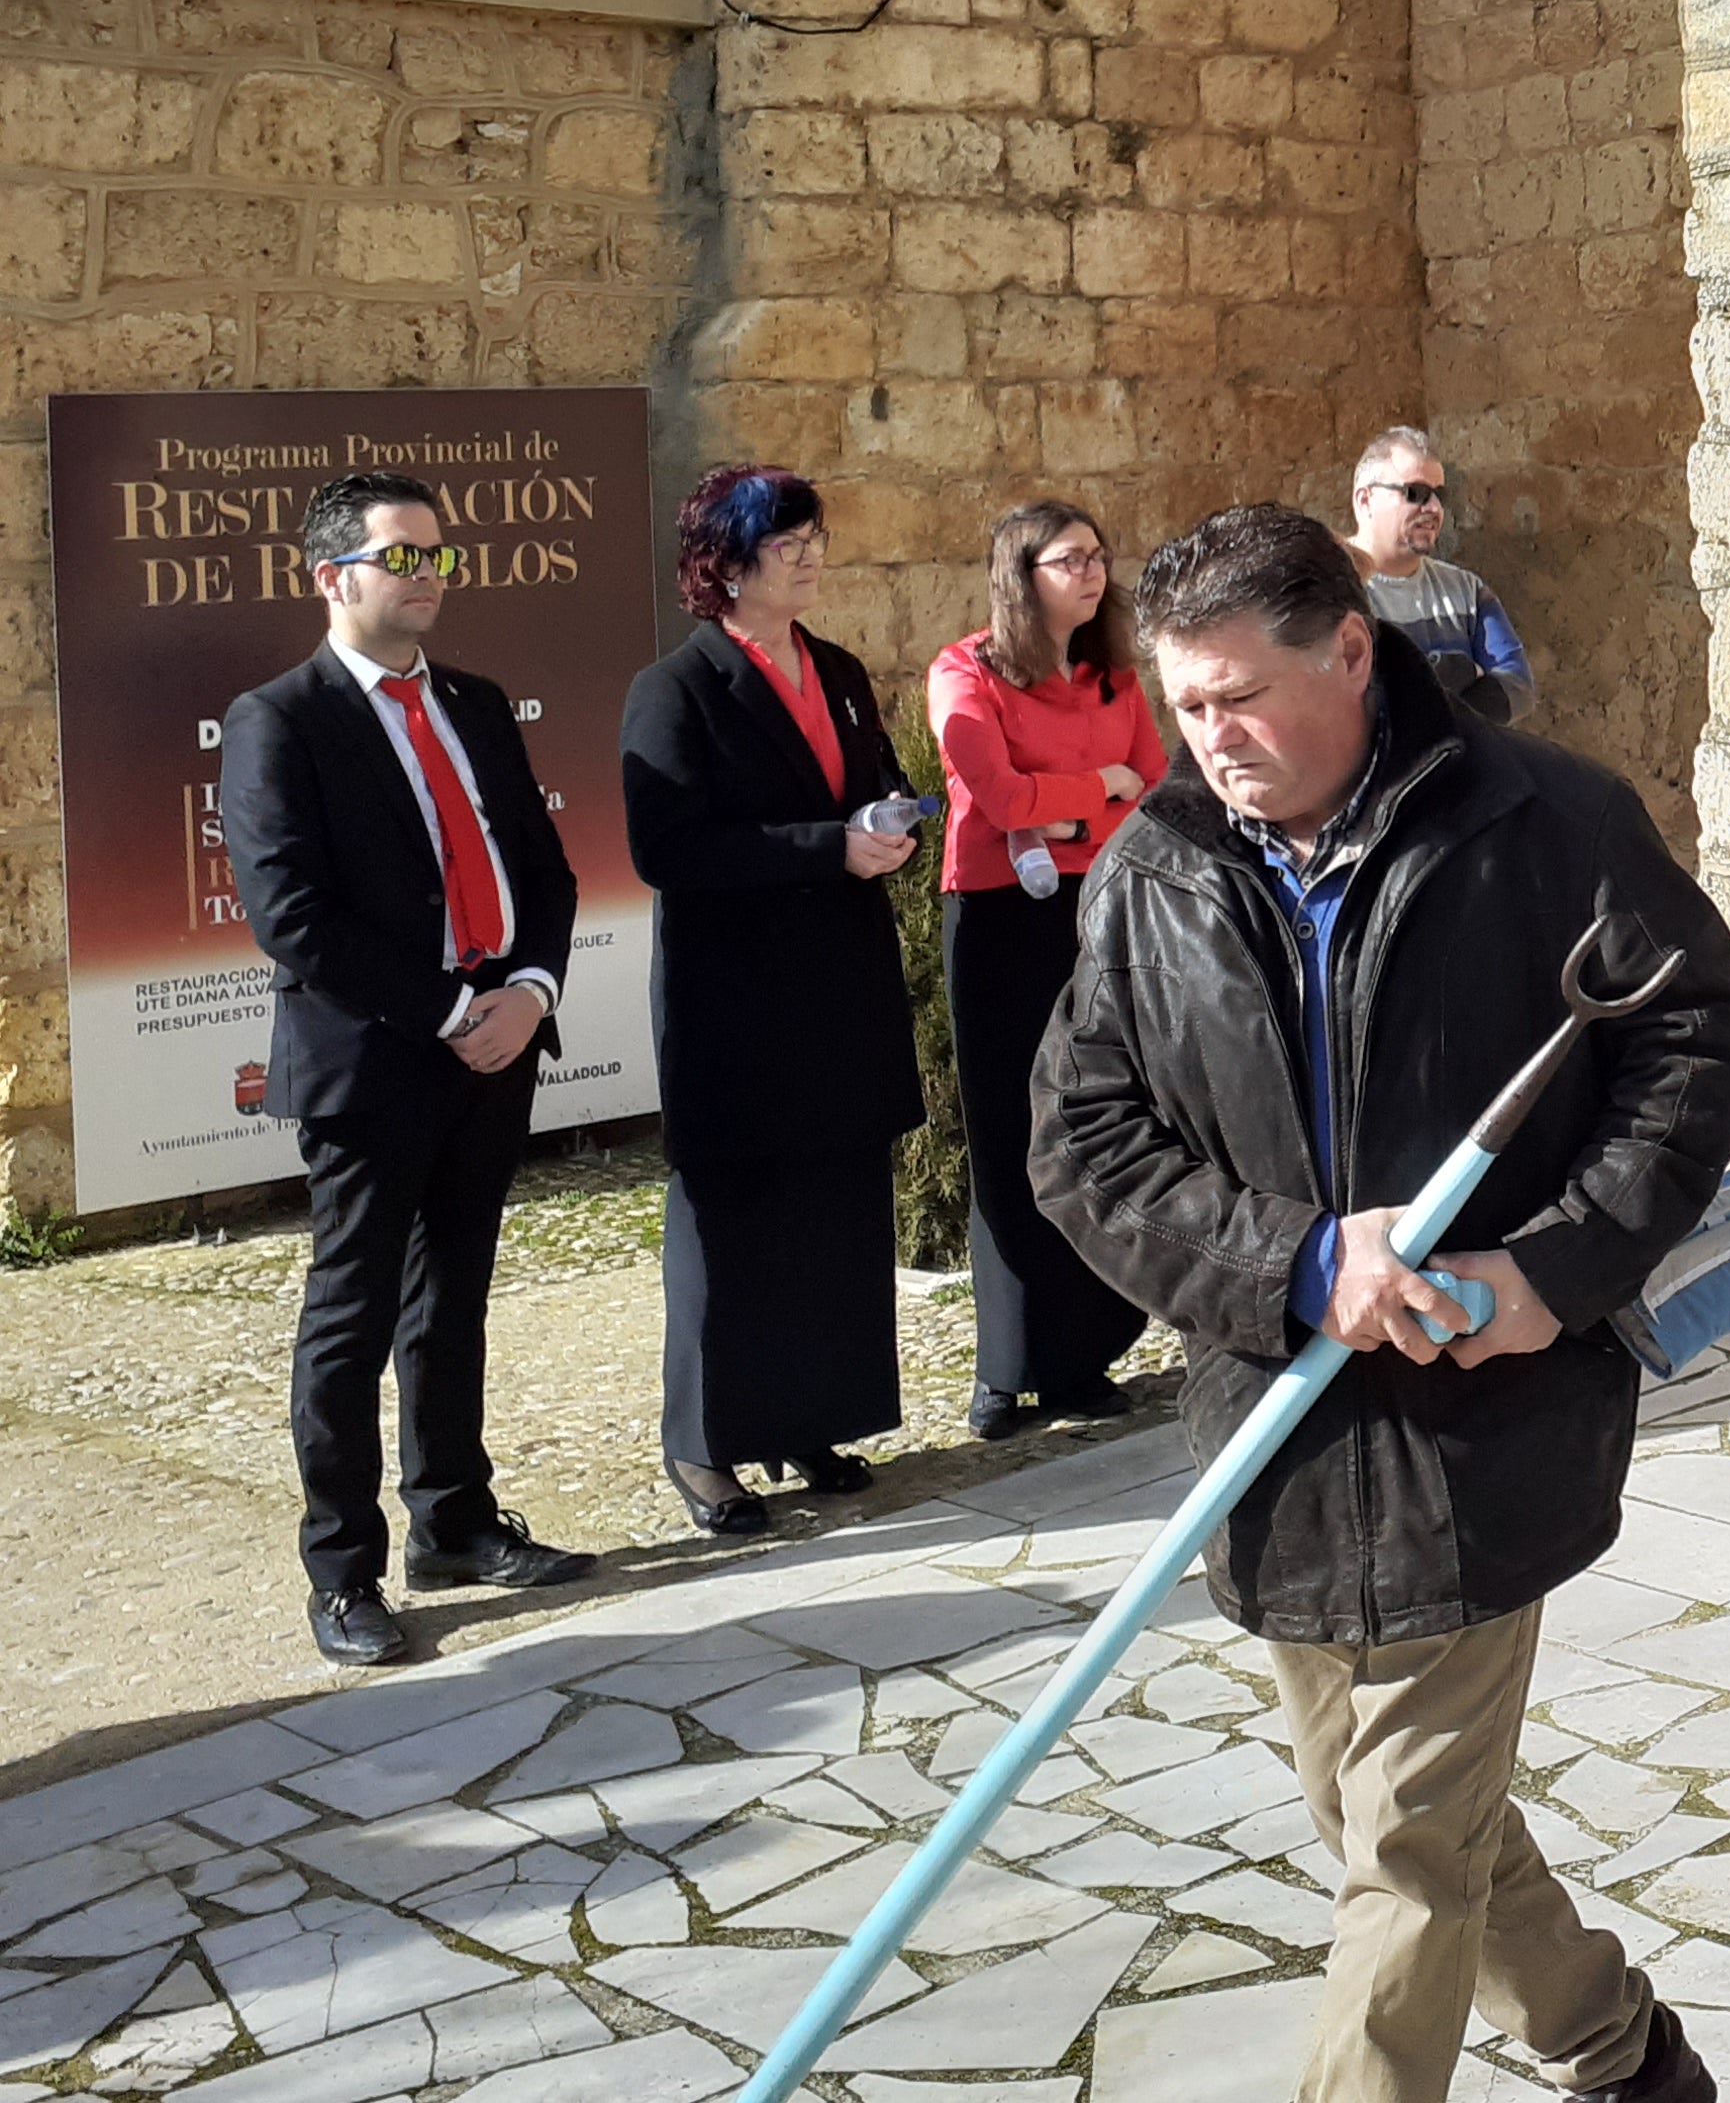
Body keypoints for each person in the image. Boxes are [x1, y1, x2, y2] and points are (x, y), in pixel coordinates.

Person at [1032, 505, 1730, 2103]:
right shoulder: (1156, 872)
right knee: (1383, 1820)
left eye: (1243, 695)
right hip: (1276, 1438)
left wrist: (1554, 1269)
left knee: (1410, 1854)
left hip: (1481, 1427)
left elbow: (1697, 1039)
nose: (1213, 737)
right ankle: (1622, 2050)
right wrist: (1298, 1265)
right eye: (1187, 703)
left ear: (1352, 651)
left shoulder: (1547, 823)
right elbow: (1081, 1144)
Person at [218, 472, 597, 1667]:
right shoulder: (281, 719)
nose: (429, 576)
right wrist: (448, 1010)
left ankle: (457, 1522)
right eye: (404, 557)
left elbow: (543, 867)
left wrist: (530, 993)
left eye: (439, 556)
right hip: (374, 1060)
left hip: (496, 1048)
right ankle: (344, 1574)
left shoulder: (475, 702)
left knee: (455, 1300)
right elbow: (292, 917)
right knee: (354, 1314)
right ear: (332, 576)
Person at [620, 468, 924, 1538]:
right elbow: (668, 848)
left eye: (813, 538)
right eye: (785, 542)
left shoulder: (837, 670)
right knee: (735, 1225)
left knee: (834, 1216)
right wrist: (825, 847)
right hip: (735, 1004)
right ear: (726, 563)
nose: (810, 556)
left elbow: (875, 778)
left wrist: (892, 821)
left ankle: (812, 1418)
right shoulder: (676, 687)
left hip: (840, 985)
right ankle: (704, 1447)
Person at [929, 498, 1163, 1440]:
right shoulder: (964, 670)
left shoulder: (1115, 679)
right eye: (1070, 559)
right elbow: (993, 794)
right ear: (1019, 576)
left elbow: (1154, 789)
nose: (1092, 571)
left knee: (1095, 1115)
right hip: (1000, 918)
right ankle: (1006, 1365)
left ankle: (1081, 1356)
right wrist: (1092, 792)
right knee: (1007, 1127)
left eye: (1098, 555)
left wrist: (1060, 812)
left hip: (1100, 908)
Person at [1340, 429, 1534, 728]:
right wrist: (1461, 669)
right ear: (1365, 501)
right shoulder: (1331, 590)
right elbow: (1354, 700)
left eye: (1440, 495)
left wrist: (1435, 723)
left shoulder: (1467, 591)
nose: (1433, 508)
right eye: (1415, 493)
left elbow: (1518, 688)